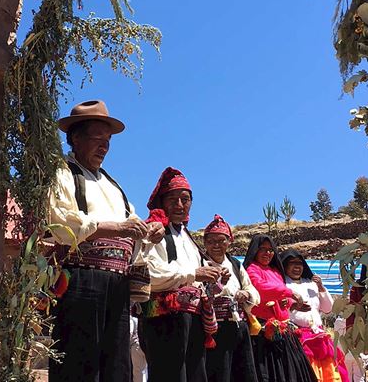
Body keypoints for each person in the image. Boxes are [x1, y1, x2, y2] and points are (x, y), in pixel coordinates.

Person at [47, 99, 164, 382]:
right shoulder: (62, 173)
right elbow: (60, 223)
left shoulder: (114, 186)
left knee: (116, 366)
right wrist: (115, 228)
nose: (104, 146)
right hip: (82, 279)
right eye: (97, 138)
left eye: (108, 140)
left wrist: (148, 234)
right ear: (75, 138)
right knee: (79, 362)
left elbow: (131, 225)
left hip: (117, 286)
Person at [142, 167, 223, 382]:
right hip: (165, 321)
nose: (179, 205)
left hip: (193, 320)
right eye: (173, 199)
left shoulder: (188, 238)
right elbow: (148, 274)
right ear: (162, 201)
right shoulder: (154, 231)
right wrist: (193, 274)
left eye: (185, 199)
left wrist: (216, 275)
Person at [243, 235, 318, 382]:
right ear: (255, 251)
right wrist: (290, 293)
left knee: (291, 372)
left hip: (283, 331)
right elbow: (260, 289)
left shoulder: (275, 271)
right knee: (272, 373)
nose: (267, 253)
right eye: (262, 249)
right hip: (263, 333)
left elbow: (279, 295)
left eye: (270, 250)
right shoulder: (251, 270)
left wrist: (291, 304)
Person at [202, 214, 260, 382]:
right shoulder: (200, 264)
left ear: (229, 242)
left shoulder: (235, 264)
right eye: (211, 242)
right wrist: (216, 287)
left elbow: (251, 288)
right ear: (205, 243)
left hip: (239, 326)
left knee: (244, 372)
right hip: (214, 329)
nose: (216, 245)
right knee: (220, 374)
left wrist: (246, 294)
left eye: (221, 241)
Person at [281, 249, 348, 382]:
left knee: (328, 374)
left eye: (299, 263)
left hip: (318, 337)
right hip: (296, 338)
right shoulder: (282, 285)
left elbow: (328, 309)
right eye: (292, 263)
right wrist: (294, 306)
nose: (297, 267)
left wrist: (321, 287)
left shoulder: (311, 284)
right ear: (284, 266)